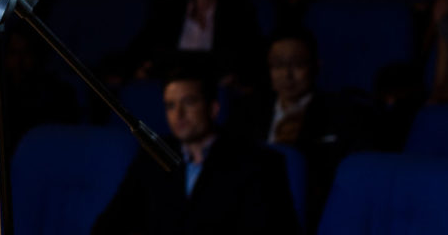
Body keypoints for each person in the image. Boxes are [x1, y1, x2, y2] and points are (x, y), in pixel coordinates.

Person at [92, 71, 300, 235]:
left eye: (189, 102)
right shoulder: (152, 156)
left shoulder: (258, 163)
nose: (178, 114)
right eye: (170, 106)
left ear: (213, 108)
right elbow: (109, 224)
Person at [234, 28, 371, 229]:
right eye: (278, 65)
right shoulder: (247, 110)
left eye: (297, 64)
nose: (287, 74)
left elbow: (351, 182)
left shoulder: (345, 115)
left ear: (316, 65)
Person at [127, 0, 263, 89]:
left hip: (214, 88)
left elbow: (247, 55)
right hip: (169, 85)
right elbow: (144, 47)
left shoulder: (237, 15)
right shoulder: (170, 11)